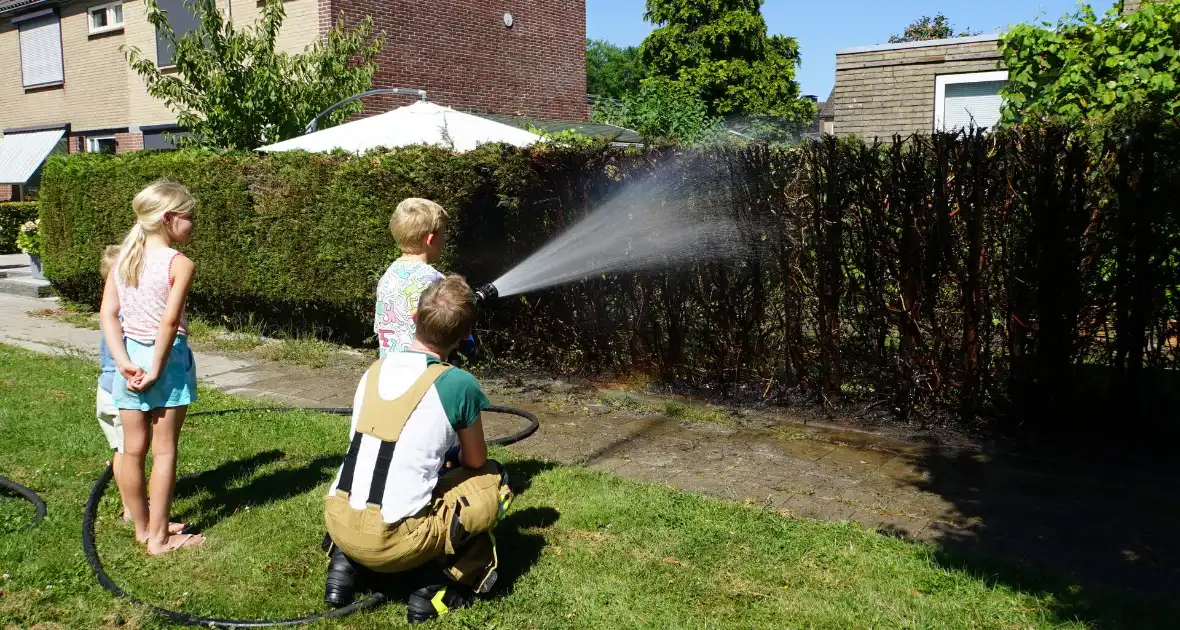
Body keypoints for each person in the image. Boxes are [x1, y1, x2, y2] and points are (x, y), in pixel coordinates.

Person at [324, 275, 513, 624]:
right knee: (495, 478)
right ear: (465, 336)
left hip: (338, 519)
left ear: (414, 319)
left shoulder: (375, 369)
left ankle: (344, 563)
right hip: (396, 542)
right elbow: (475, 460)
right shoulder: (458, 383)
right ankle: (436, 587)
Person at [99, 180, 203, 556]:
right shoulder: (180, 263)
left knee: (132, 449)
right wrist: (157, 367)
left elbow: (109, 315)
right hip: (166, 362)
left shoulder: (126, 257)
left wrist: (124, 362)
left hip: (128, 362)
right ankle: (160, 539)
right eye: (190, 217)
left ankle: (143, 528)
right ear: (169, 218)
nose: (193, 224)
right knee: (164, 452)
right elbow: (169, 322)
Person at [374, 198, 448, 358]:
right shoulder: (435, 280)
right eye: (443, 234)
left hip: (388, 370)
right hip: (424, 373)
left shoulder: (387, 276)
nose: (444, 240)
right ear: (430, 239)